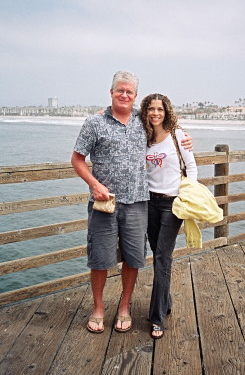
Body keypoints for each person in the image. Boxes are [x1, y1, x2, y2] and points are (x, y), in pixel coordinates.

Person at [71, 71, 192, 334]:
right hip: (105, 204)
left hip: (139, 203)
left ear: (135, 96)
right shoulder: (94, 123)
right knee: (100, 259)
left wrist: (184, 138)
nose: (124, 95)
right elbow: (77, 160)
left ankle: (124, 307)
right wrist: (95, 185)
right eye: (120, 90)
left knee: (134, 259)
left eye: (129, 92)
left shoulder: (143, 121)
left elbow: (165, 128)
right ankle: (99, 308)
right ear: (111, 92)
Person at [139, 93, 197, 339]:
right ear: (145, 112)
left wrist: (187, 196)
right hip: (149, 202)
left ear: (166, 111)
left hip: (173, 204)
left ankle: (157, 318)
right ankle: (166, 302)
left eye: (159, 109)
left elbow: (191, 167)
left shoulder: (178, 136)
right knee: (158, 254)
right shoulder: (143, 136)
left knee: (163, 257)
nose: (155, 113)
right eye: (150, 109)